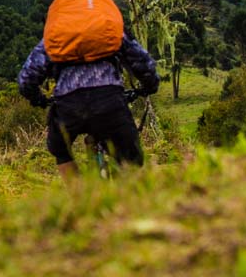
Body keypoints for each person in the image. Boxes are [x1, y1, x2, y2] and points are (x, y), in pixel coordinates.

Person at [18, 31, 160, 178]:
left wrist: (38, 99)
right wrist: (149, 86)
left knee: (60, 150)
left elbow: (26, 78)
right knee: (130, 157)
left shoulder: (55, 35)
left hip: (69, 105)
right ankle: (127, 189)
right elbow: (143, 62)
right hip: (109, 100)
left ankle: (78, 190)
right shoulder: (110, 28)